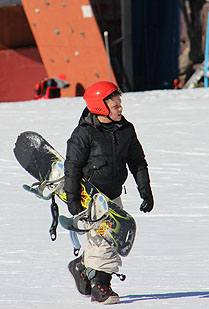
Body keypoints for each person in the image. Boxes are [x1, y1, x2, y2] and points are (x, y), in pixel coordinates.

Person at [64, 81, 154, 304]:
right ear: (100, 106)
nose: (120, 108)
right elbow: (72, 168)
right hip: (91, 197)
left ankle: (83, 267)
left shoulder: (126, 129)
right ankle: (100, 286)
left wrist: (145, 190)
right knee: (105, 241)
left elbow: (137, 162)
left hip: (113, 196)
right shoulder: (84, 133)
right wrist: (73, 200)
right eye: (115, 105)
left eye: (120, 104)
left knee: (112, 238)